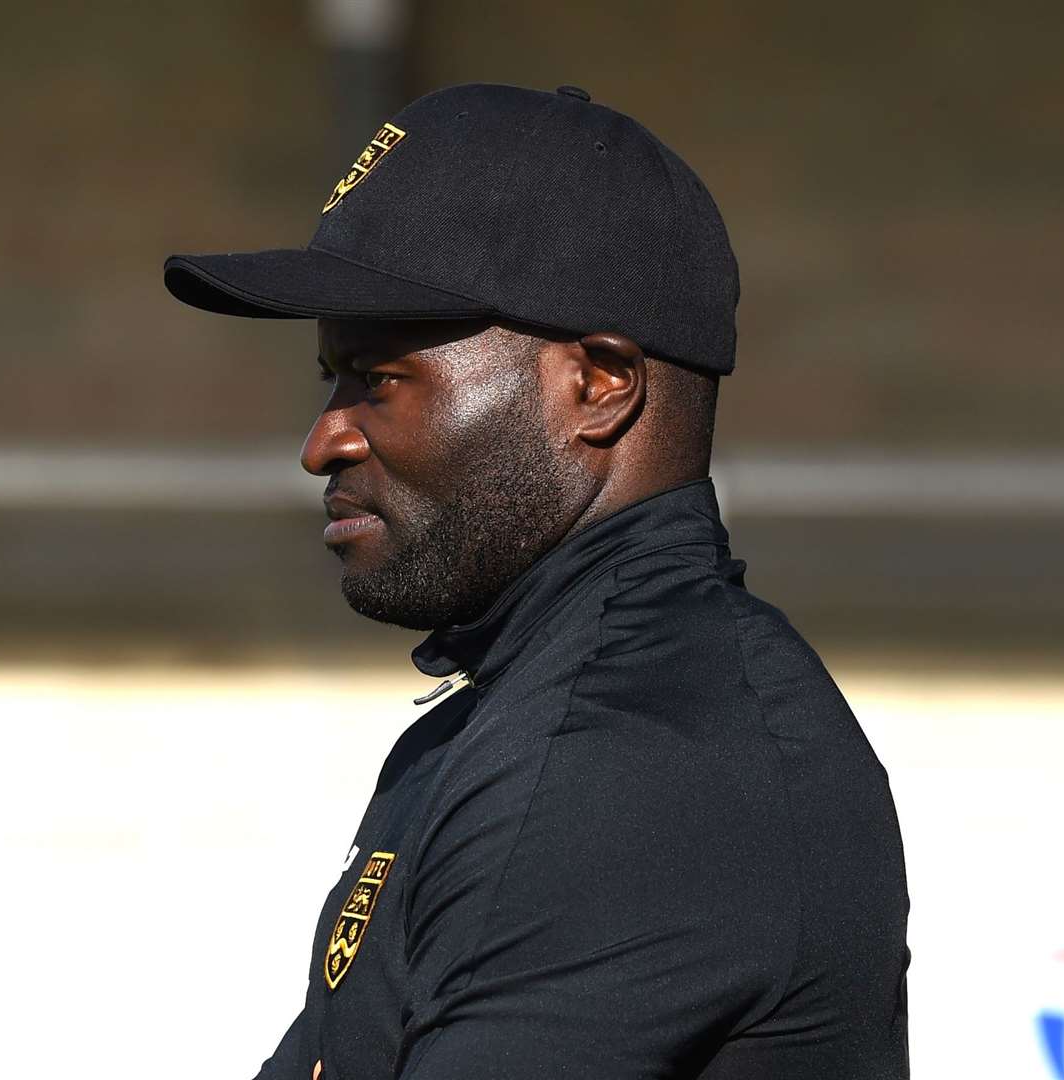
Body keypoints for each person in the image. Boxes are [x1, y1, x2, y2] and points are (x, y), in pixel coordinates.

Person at [164, 83, 908, 1080]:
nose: (323, 440)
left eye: (376, 380)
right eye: (328, 380)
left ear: (596, 384)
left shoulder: (628, 768)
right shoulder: (521, 716)